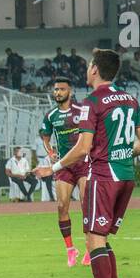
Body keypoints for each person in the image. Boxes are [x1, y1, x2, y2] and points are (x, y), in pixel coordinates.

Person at [35, 49, 140, 278]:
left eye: (89, 65)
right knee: (103, 239)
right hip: (126, 177)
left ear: (95, 70)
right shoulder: (130, 100)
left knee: (94, 239)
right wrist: (120, 153)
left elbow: (82, 148)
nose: (87, 70)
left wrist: (51, 168)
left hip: (103, 176)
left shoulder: (92, 102)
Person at [40, 77, 91, 265]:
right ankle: (71, 249)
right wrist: (51, 152)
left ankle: (89, 247)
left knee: (87, 205)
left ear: (70, 91)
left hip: (84, 163)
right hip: (64, 165)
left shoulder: (81, 111)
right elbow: (45, 137)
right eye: (55, 90)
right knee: (62, 206)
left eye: (61, 89)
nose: (58, 93)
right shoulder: (51, 115)